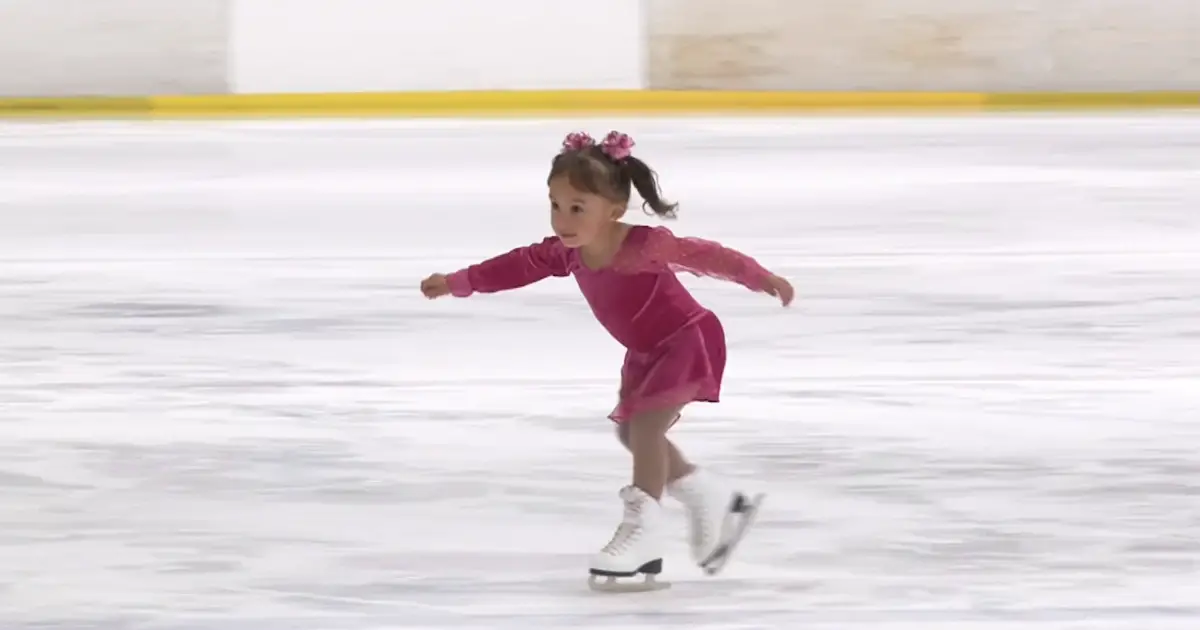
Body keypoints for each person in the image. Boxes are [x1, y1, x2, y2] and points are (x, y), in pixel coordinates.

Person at [420, 130, 794, 582]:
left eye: (578, 208)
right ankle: (709, 495)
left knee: (649, 428)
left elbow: (708, 256)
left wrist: (762, 278)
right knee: (633, 437)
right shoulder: (567, 254)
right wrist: (461, 282)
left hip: (685, 339)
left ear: (613, 211)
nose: (564, 218)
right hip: (644, 352)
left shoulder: (644, 245)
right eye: (556, 205)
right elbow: (516, 265)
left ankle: (643, 532)